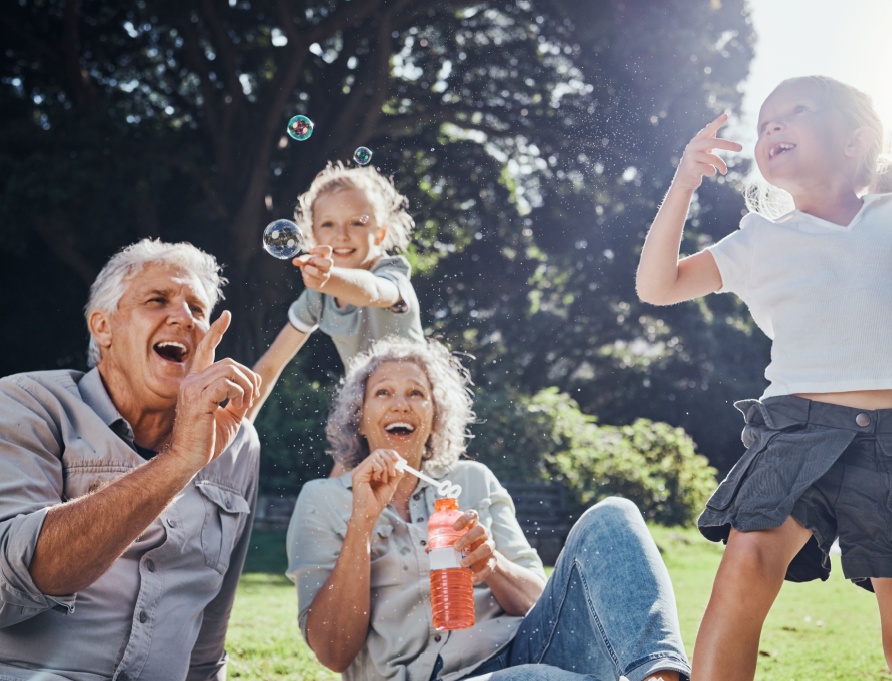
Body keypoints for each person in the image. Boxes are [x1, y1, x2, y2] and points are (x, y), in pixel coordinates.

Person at [636, 75, 892, 680]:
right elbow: (657, 285)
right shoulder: (761, 239)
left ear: (856, 141)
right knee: (749, 558)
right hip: (797, 425)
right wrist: (683, 183)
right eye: (763, 124)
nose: (771, 128)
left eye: (794, 113)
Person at [286, 337, 691, 681]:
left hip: (522, 652)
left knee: (614, 515)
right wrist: (362, 523)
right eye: (383, 393)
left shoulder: (473, 480)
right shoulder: (323, 499)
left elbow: (538, 601)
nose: (401, 404)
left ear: (434, 417)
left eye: (416, 393)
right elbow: (334, 652)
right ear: (360, 419)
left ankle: (660, 675)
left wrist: (492, 564)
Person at [0, 238, 262, 680]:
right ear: (103, 327)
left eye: (198, 310)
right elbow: (10, 583)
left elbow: (209, 627)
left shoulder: (237, 442)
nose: (183, 318)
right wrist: (180, 461)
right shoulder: (28, 403)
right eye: (157, 300)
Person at [247, 161, 425, 423]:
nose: (341, 235)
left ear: (379, 233)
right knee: (347, 462)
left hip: (415, 404)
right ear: (313, 236)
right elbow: (271, 365)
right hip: (368, 411)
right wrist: (236, 425)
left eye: (356, 223)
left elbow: (373, 291)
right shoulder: (318, 295)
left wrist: (330, 278)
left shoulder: (391, 272)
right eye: (328, 224)